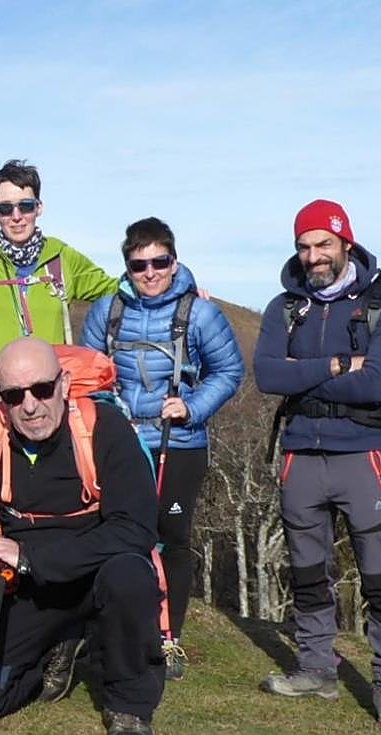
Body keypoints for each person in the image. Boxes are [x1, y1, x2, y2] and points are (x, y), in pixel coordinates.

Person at [0, 337, 164, 735]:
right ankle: (58, 648)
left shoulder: (106, 429)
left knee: (129, 576)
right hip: (30, 588)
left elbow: (136, 529)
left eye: (42, 389)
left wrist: (29, 557)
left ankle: (128, 705)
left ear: (63, 384)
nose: (30, 405)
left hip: (99, 576)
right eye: (14, 395)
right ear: (1, 399)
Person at [254, 199, 381, 728]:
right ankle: (315, 667)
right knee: (306, 572)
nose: (313, 256)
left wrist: (305, 370)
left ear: (347, 242)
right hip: (300, 452)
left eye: (323, 244)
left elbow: (377, 384)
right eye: (304, 245)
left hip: (363, 453)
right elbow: (268, 376)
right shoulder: (285, 307)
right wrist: (341, 362)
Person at [81, 217, 243, 680]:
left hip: (180, 442)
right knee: (113, 534)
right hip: (119, 442)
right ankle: (114, 628)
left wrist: (190, 408)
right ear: (127, 266)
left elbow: (228, 373)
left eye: (159, 261)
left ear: (174, 261)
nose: (150, 272)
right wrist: (105, 412)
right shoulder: (106, 310)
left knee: (171, 537)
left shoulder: (201, 314)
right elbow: (89, 373)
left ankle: (168, 637)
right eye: (139, 264)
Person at [0, 159, 117, 427]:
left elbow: (121, 290)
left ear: (39, 208)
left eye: (25, 206)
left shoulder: (63, 258)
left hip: (49, 401)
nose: (16, 216)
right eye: (6, 208)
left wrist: (179, 286)